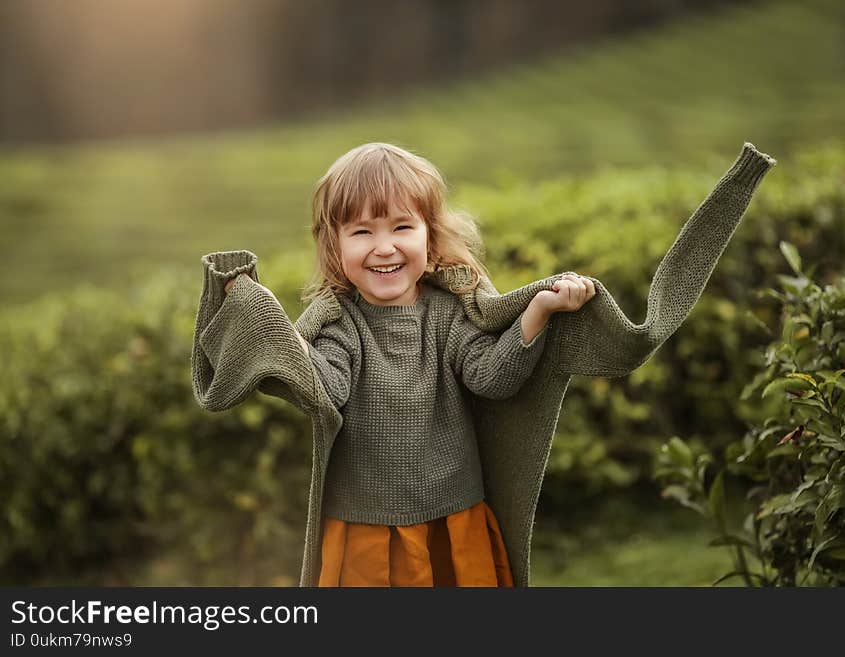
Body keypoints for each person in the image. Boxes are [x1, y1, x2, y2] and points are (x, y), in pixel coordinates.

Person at [192, 141, 776, 587]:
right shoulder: (341, 325)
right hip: (369, 532)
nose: (385, 246)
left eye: (402, 226)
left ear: (430, 235)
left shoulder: (450, 313)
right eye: (362, 231)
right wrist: (265, 325)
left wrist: (540, 311)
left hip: (455, 521)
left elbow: (490, 377)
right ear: (336, 248)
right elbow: (328, 389)